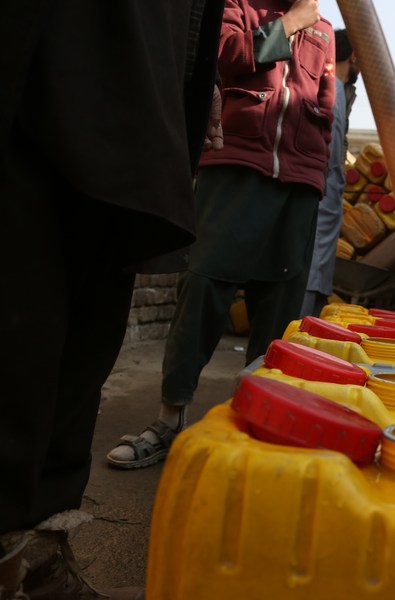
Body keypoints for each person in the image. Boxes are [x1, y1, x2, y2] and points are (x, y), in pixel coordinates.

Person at [0, 1, 225, 597]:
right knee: (20, 331)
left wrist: (193, 82)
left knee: (86, 341)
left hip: (142, 72)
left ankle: (39, 557)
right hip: (53, 42)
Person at [107, 0, 336, 469]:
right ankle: (169, 421)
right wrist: (287, 25)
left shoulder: (326, 31)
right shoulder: (238, 5)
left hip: (298, 180)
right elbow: (226, 57)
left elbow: (327, 105)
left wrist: (316, 175)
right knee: (204, 286)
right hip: (236, 164)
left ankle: (254, 425)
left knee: (280, 307)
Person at [300, 28, 359, 319]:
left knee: (316, 260)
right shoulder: (334, 90)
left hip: (326, 189)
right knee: (314, 261)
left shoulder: (335, 89)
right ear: (354, 55)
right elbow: (333, 151)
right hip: (325, 188)